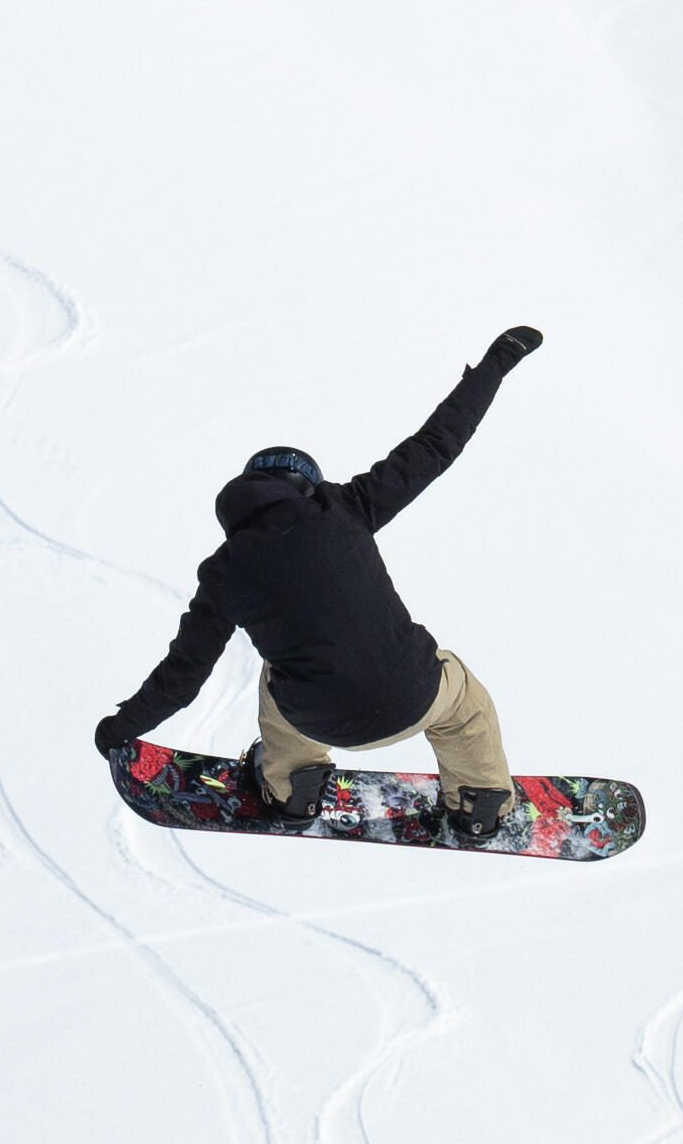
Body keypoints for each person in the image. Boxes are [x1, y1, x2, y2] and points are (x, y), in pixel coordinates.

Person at [96, 326, 544, 827]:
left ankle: (293, 790)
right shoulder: (347, 509)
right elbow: (437, 444)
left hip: (319, 716)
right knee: (463, 701)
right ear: (307, 489)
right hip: (416, 695)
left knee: (276, 674)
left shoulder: (225, 571)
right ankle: (480, 803)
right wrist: (494, 366)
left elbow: (183, 678)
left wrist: (121, 729)